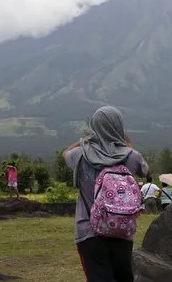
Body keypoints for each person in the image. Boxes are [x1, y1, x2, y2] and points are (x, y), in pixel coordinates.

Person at [63, 106, 149, 282]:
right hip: (122, 230)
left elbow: (65, 154)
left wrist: (86, 140)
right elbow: (147, 171)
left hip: (88, 232)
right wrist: (127, 142)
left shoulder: (79, 155)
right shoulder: (131, 156)